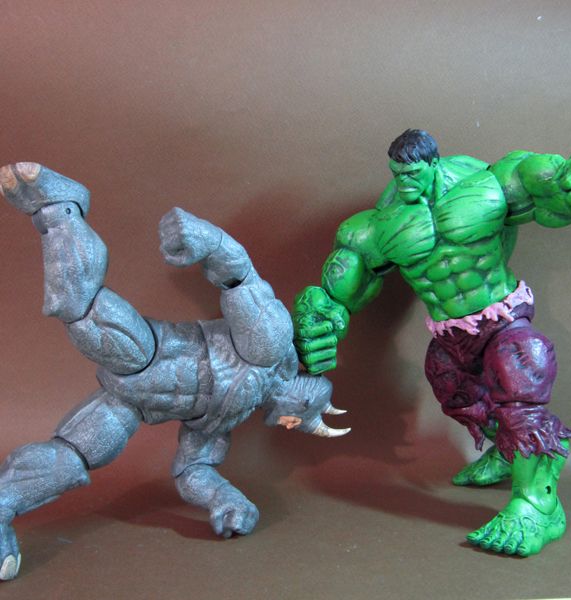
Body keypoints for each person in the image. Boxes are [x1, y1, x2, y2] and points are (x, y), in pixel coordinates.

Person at [0, 162, 348, 581]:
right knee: (84, 313)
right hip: (152, 354)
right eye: (300, 417)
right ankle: (60, 207)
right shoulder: (269, 350)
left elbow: (191, 471)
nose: (290, 425)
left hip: (127, 405)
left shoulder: (225, 420)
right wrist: (214, 242)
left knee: (70, 459)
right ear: (302, 395)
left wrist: (225, 499)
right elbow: (243, 283)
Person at [293, 129, 571, 556]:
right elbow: (343, 289)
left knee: (520, 371)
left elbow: (546, 186)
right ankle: (509, 453)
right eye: (397, 174)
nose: (404, 182)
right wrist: (318, 314)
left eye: (413, 173)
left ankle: (538, 504)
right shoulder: (379, 225)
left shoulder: (487, 185)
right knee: (454, 392)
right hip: (450, 333)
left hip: (502, 317)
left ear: (433, 164)